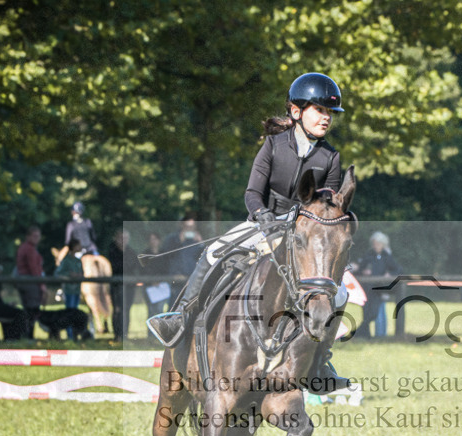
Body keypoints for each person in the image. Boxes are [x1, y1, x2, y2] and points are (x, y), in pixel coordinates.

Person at [148, 72, 348, 393]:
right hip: (261, 223)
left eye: (329, 113)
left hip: (301, 233)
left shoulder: (330, 157)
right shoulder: (273, 145)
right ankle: (182, 318)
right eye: (319, 110)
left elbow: (325, 207)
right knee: (213, 252)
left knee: (340, 293)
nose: (326, 118)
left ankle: (320, 360)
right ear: (297, 111)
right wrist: (265, 217)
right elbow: (252, 192)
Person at [355, 231, 401, 338]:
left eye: (378, 243)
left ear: (383, 244)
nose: (376, 246)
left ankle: (378, 335)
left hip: (380, 290)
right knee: (368, 313)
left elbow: (398, 269)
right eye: (374, 243)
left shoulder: (387, 257)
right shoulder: (369, 255)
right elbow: (361, 268)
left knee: (377, 312)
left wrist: (389, 274)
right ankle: (365, 335)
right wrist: (363, 271)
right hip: (368, 289)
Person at [160, 213, 203, 302]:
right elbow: (166, 255)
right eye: (187, 226)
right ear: (182, 226)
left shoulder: (196, 241)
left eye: (192, 227)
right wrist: (179, 241)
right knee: (174, 304)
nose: (189, 229)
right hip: (176, 280)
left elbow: (201, 258)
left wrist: (201, 243)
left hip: (192, 280)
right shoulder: (172, 238)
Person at [107, 228, 141, 341]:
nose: (123, 240)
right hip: (116, 287)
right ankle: (117, 335)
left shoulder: (131, 252)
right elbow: (113, 268)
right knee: (117, 309)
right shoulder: (111, 252)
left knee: (127, 309)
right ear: (116, 239)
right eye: (121, 238)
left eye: (125, 238)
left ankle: (125, 335)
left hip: (129, 287)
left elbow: (136, 267)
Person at [15, 225, 45, 339]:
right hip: (29, 283)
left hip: (26, 281)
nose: (37, 238)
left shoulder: (26, 248)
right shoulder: (29, 249)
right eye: (34, 236)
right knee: (32, 310)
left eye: (38, 236)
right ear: (28, 236)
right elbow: (34, 268)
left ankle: (28, 334)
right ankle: (29, 336)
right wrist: (41, 284)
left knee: (29, 310)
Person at [54, 238, 84, 340]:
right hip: (69, 290)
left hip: (76, 290)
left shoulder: (78, 261)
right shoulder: (66, 260)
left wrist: (80, 275)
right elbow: (58, 273)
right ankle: (70, 335)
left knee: (74, 313)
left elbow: (82, 273)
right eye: (78, 245)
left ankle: (74, 334)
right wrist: (69, 275)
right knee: (69, 314)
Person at [141, 233, 171, 327]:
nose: (153, 241)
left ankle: (160, 329)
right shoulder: (145, 254)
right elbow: (143, 270)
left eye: (155, 239)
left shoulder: (164, 253)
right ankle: (151, 332)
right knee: (151, 310)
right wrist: (151, 281)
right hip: (149, 287)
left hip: (162, 286)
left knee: (160, 309)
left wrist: (160, 281)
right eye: (151, 239)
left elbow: (166, 269)